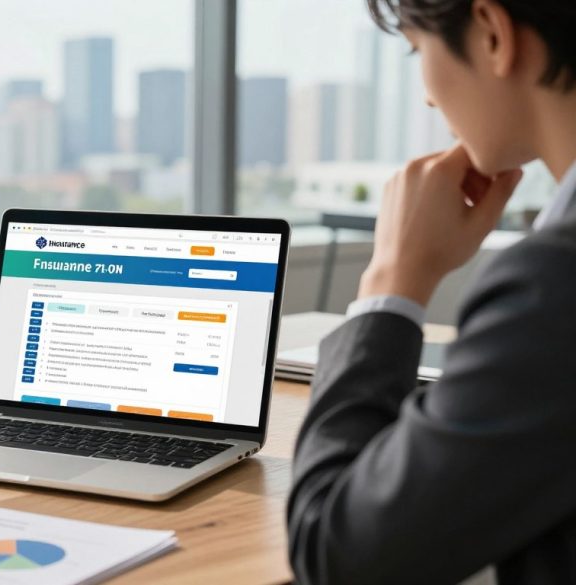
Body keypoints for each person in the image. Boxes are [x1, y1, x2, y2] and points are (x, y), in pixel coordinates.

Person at [286, 1, 576, 584]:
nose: (425, 96)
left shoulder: (554, 288)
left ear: (493, 34)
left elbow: (335, 552)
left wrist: (391, 282)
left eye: (419, 51)